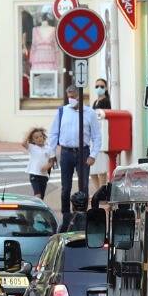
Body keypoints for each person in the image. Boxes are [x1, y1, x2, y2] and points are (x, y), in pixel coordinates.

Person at [43, 84, 103, 221]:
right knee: (66, 187)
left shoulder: (90, 113)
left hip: (83, 152)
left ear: (80, 96)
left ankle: (82, 213)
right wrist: (51, 155)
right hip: (66, 153)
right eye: (69, 97)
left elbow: (97, 136)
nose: (71, 99)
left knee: (83, 185)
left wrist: (93, 155)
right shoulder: (62, 112)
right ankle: (66, 214)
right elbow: (53, 133)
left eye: (74, 97)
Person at [24, 127, 53, 200]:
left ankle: (36, 209)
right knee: (38, 195)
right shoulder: (32, 147)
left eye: (40, 136)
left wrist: (47, 166)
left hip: (44, 176)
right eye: (36, 138)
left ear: (44, 137)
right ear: (33, 140)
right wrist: (30, 133)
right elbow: (23, 143)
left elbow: (52, 161)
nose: (39, 138)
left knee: (41, 198)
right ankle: (34, 208)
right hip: (34, 174)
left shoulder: (49, 148)